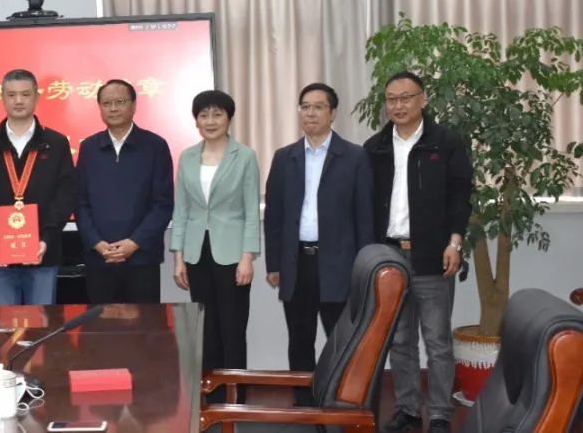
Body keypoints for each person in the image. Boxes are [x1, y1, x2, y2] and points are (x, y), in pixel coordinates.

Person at [364, 71, 473, 433]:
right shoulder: (375, 147)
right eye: (391, 99)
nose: (398, 105)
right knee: (399, 339)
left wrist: (454, 243)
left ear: (423, 99)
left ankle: (440, 413)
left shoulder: (445, 142)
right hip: (390, 256)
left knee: (438, 340)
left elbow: (460, 196)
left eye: (406, 98)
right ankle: (408, 408)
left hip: (432, 255)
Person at [263, 83, 374, 402]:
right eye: (305, 106)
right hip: (297, 262)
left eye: (318, 107)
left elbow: (364, 217)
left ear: (332, 113)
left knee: (342, 341)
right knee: (299, 339)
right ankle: (304, 403)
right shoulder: (285, 157)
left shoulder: (354, 156)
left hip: (340, 264)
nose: (310, 113)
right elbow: (274, 216)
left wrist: (363, 268)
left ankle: (339, 402)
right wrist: (274, 264)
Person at [170, 90, 259, 386]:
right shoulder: (187, 156)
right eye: (203, 115)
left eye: (217, 114)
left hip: (232, 253)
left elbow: (250, 211)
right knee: (205, 327)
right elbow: (182, 210)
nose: (210, 121)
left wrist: (247, 258)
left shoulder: (244, 156)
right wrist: (179, 258)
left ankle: (235, 394)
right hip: (196, 253)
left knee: (232, 327)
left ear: (229, 119)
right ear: (196, 120)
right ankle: (210, 392)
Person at [0, 69, 77, 305]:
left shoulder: (56, 143)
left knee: (41, 322)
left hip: (42, 253)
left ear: (36, 97)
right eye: (12, 95)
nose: (18, 101)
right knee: (6, 322)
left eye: (26, 94)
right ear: (2, 97)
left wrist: (46, 239)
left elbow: (65, 196)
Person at [76, 79, 173, 304]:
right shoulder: (89, 147)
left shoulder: (155, 146)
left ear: (134, 105)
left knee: (144, 324)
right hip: (100, 258)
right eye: (106, 103)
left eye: (120, 102)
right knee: (100, 323)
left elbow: (163, 203)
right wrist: (96, 242)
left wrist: (134, 242)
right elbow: (80, 202)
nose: (113, 108)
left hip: (142, 257)